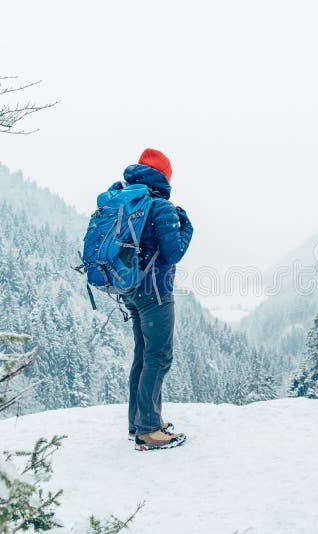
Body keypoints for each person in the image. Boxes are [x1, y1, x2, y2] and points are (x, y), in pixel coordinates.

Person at [121, 148, 193, 451]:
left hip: (131, 289)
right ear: (165, 176)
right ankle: (148, 429)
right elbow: (173, 253)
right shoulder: (161, 207)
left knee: (143, 355)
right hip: (155, 292)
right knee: (159, 357)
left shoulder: (128, 200)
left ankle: (139, 422)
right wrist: (187, 226)